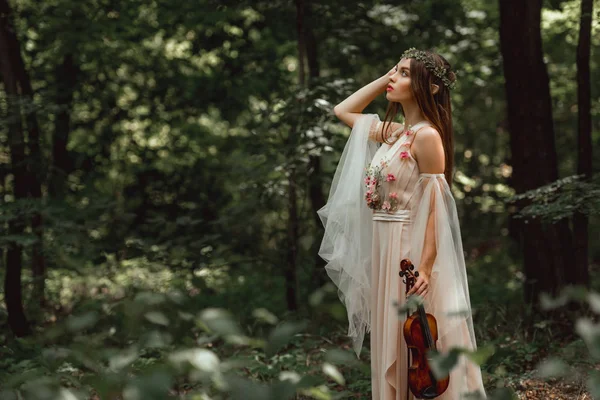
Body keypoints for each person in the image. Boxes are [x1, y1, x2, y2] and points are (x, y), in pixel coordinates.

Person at [317, 48, 487, 399]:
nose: (394, 77)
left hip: (407, 252)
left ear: (432, 88)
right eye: (395, 71)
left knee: (413, 343)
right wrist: (390, 77)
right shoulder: (395, 134)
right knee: (393, 339)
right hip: (384, 250)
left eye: (405, 73)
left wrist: (425, 266)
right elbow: (343, 111)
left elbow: (438, 206)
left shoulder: (427, 137)